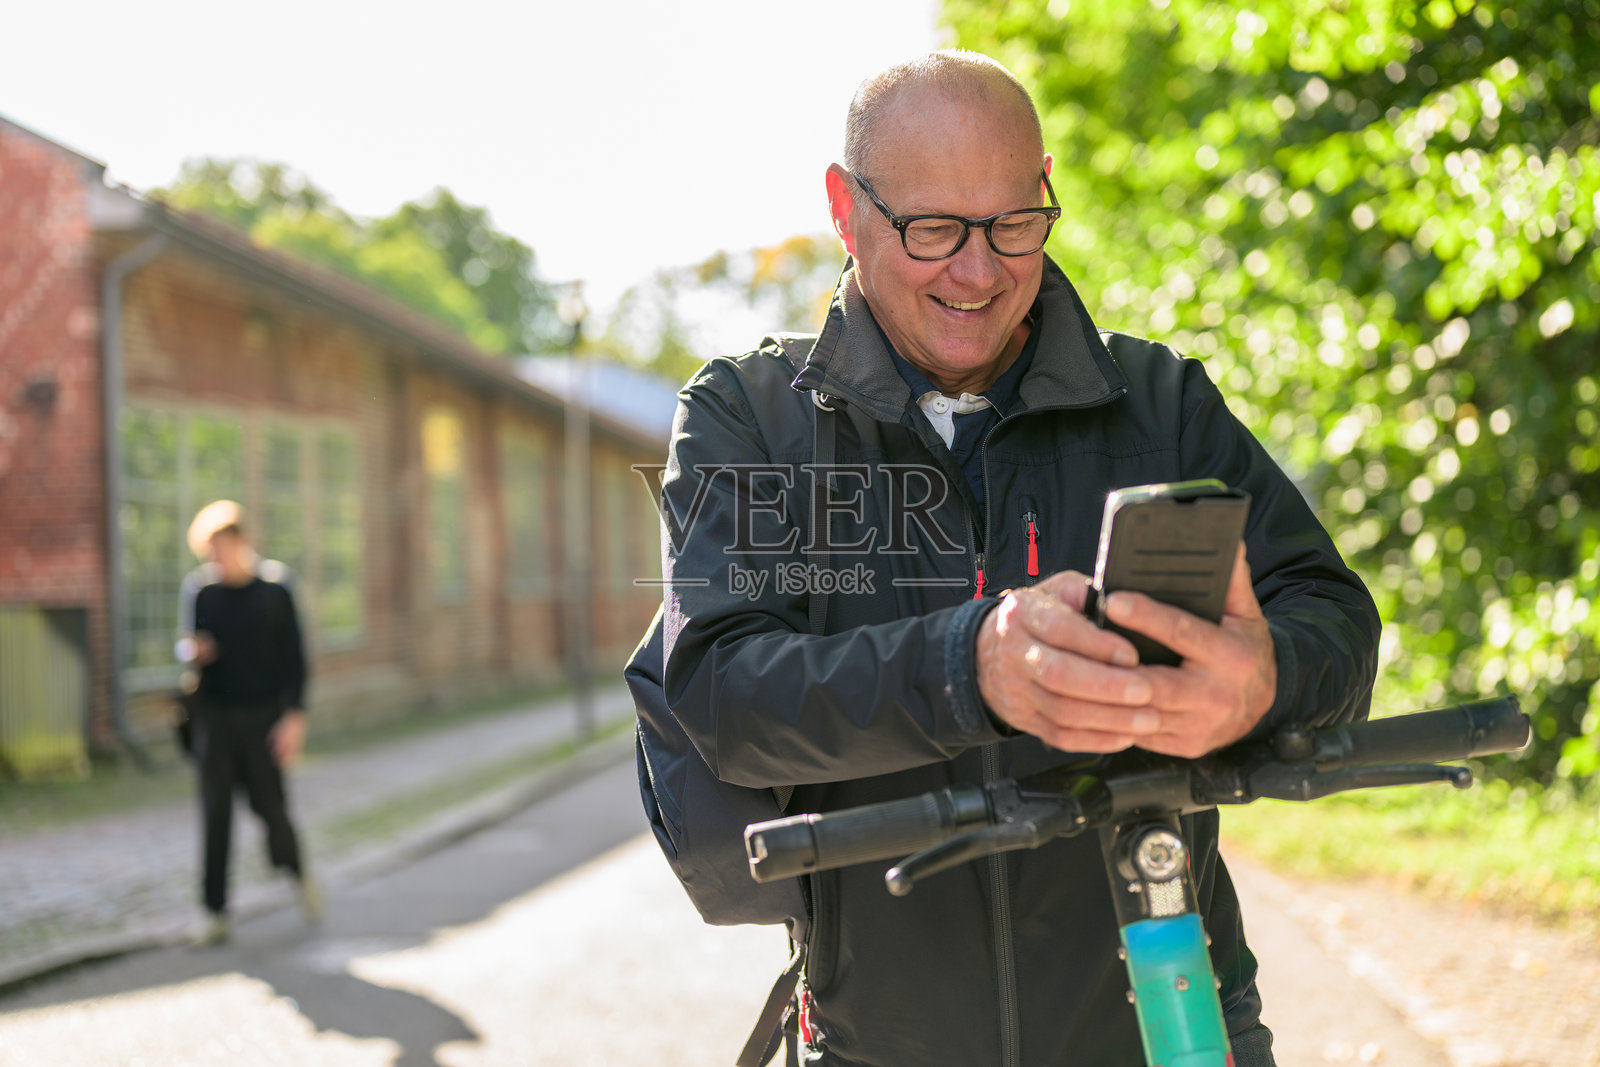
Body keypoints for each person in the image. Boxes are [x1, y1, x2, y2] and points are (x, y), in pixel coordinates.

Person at [656, 50, 1379, 1066]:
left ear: (1044, 190)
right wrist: (968, 666)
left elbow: (1331, 615)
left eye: (1012, 224)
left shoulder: (1161, 400)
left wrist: (1269, 680)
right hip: (879, 1042)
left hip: (1173, 1026)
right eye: (933, 230)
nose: (979, 271)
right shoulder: (756, 420)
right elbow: (725, 693)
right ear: (843, 207)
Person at [177, 500, 320, 945]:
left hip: (263, 719)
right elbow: (188, 647)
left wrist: (293, 718)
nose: (217, 558)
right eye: (210, 551)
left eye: (224, 547)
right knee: (215, 813)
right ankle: (214, 910)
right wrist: (194, 654)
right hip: (215, 719)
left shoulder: (275, 590)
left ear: (243, 543)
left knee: (270, 808)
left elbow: (297, 661)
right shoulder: (202, 592)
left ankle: (296, 871)